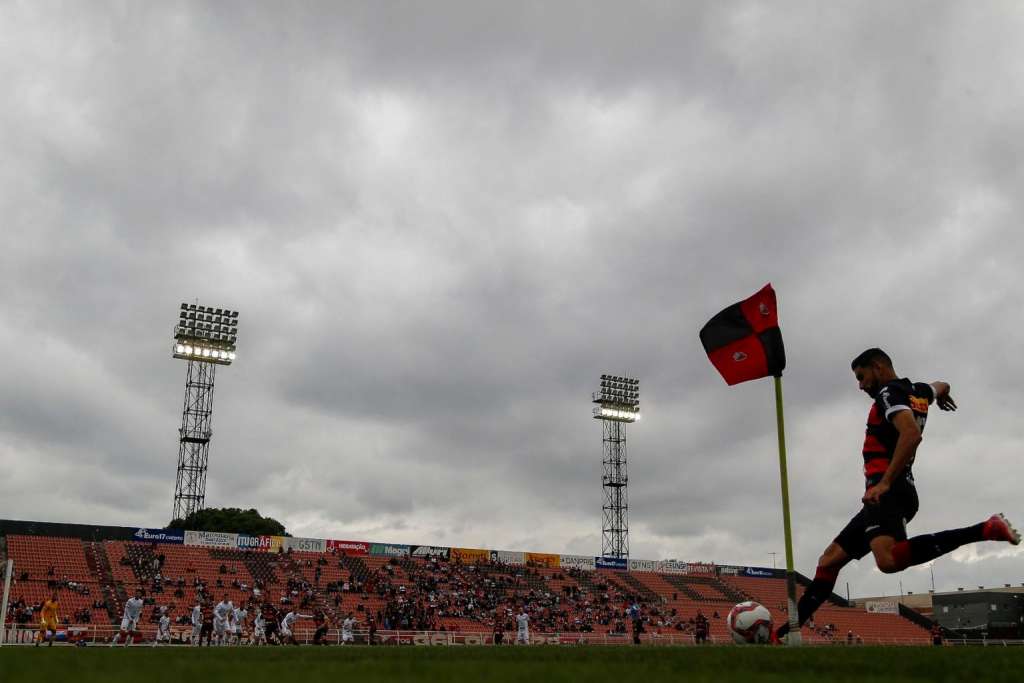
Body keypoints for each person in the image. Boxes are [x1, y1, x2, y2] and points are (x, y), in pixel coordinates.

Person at [775, 348, 1020, 642]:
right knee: (828, 561)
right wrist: (942, 393)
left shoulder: (889, 394)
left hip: (888, 491)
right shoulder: (916, 391)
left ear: (878, 367)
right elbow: (940, 385)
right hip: (890, 492)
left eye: (862, 376)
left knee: (888, 561)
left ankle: (984, 529)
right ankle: (783, 635)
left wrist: (885, 482)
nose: (861, 385)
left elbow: (911, 434)